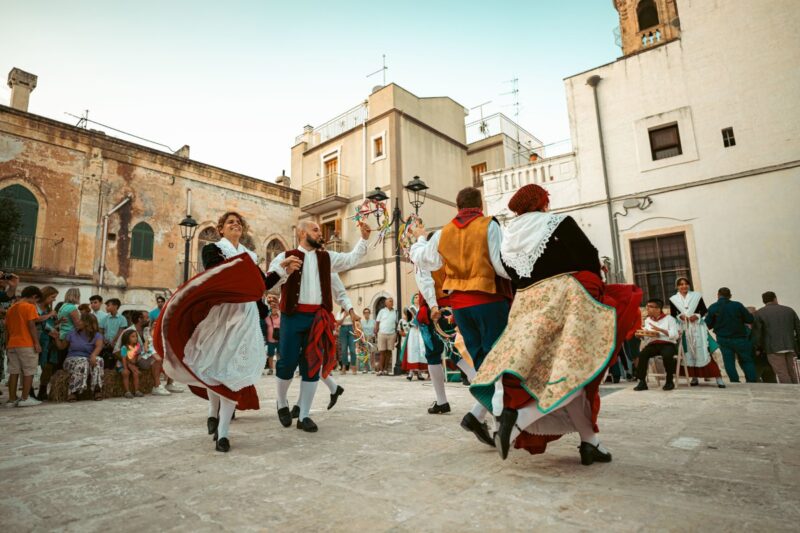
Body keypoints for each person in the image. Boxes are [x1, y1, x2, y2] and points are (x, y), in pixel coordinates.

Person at [465, 184, 641, 464]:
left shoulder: (509, 237)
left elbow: (510, 274)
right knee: (577, 369)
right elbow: (588, 255)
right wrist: (596, 289)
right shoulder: (557, 222)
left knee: (560, 373)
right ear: (541, 202)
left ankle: (590, 442)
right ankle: (520, 418)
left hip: (528, 309)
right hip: (567, 300)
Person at [154, 211, 297, 452]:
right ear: (221, 229)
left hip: (245, 319)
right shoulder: (213, 250)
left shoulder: (249, 256)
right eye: (230, 222)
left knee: (233, 371)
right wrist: (246, 273)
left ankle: (223, 433)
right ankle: (213, 411)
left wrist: (282, 271)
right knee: (215, 366)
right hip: (220, 316)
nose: (235, 225)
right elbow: (217, 276)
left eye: (238, 223)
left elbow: (260, 285)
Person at [411, 186, 513, 448]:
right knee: (499, 361)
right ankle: (498, 422)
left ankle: (478, 416)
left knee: (482, 363)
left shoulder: (444, 232)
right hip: (488, 300)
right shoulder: (488, 225)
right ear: (480, 205)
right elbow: (500, 266)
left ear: (457, 207)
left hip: (460, 307)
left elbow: (425, 261)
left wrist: (419, 240)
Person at [268, 219, 370, 433]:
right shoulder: (285, 256)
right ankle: (282, 401)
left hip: (316, 318)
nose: (320, 233)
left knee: (312, 365)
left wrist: (363, 239)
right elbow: (270, 283)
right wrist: (285, 270)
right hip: (292, 316)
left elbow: (351, 259)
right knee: (286, 363)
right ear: (302, 233)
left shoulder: (327, 258)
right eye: (315, 230)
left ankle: (304, 415)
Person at [669, 278, 725, 387]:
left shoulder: (696, 296)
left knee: (705, 351)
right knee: (688, 354)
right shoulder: (673, 299)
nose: (684, 286)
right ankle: (694, 378)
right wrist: (680, 316)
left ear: (689, 285)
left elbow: (704, 310)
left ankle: (718, 378)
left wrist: (697, 316)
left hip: (698, 329)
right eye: (681, 284)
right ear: (677, 286)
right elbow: (673, 314)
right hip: (684, 329)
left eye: (686, 284)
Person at [415, 261, 452, 414]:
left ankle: (442, 401)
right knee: (458, 351)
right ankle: (442, 401)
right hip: (452, 305)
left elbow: (426, 282)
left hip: (435, 309)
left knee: (435, 355)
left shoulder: (423, 256)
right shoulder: (447, 255)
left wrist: (433, 306)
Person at [705, 288, 757, 383]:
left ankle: (734, 381)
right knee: (746, 360)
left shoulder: (713, 307)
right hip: (740, 338)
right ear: (730, 296)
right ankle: (752, 381)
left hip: (723, 339)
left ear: (718, 295)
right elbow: (750, 319)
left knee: (729, 362)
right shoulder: (737, 305)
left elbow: (707, 324)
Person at [114, 311, 170, 396]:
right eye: (147, 318)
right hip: (130, 360)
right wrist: (129, 364)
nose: (149, 320)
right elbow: (116, 351)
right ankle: (157, 386)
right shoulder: (128, 331)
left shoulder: (146, 330)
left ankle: (166, 384)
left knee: (162, 357)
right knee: (156, 358)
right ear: (139, 319)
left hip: (140, 357)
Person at [51, 313, 105, 401]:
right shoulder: (72, 333)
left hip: (88, 359)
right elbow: (61, 347)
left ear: (87, 323)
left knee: (99, 360)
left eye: (80, 320)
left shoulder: (97, 335)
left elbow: (99, 347)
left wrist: (93, 355)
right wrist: (57, 338)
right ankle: (73, 391)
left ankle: (97, 389)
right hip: (71, 360)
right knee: (83, 361)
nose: (78, 322)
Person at [5, 286, 43, 407]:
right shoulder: (29, 306)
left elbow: (7, 328)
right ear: (34, 296)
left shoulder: (11, 308)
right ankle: (25, 398)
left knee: (13, 371)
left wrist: (7, 344)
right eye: (36, 300)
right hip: (26, 343)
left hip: (12, 343)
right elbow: (31, 325)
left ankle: (11, 399)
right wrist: (36, 343)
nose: (35, 303)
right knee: (29, 371)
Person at [634, 299, 681, 391]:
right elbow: (647, 336)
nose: (647, 308)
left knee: (667, 355)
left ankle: (669, 381)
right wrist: (641, 336)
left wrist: (660, 330)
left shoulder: (669, 319)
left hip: (667, 344)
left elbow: (675, 335)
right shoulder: (648, 320)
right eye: (647, 306)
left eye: (650, 306)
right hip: (653, 344)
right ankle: (642, 382)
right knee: (642, 354)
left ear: (658, 309)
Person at [755, 291, 800, 384]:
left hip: (773, 348)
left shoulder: (760, 313)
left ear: (763, 301)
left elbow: (758, 333)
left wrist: (757, 347)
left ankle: (789, 391)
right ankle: (796, 388)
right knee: (792, 371)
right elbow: (798, 328)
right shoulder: (789, 310)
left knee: (782, 372)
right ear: (775, 298)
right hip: (790, 346)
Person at [35, 286, 59, 400]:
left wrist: (58, 321)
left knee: (48, 366)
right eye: (52, 297)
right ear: (45, 295)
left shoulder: (48, 308)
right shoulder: (35, 307)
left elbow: (49, 324)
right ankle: (29, 392)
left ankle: (42, 390)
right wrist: (50, 315)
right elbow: (36, 320)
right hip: (39, 340)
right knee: (32, 366)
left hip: (49, 341)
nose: (54, 300)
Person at [400, 300, 427, 381]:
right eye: (415, 297)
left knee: (420, 350)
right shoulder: (411, 308)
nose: (417, 298)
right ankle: (411, 372)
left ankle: (419, 373)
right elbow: (408, 320)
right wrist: (411, 324)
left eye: (418, 297)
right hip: (413, 332)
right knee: (412, 351)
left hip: (420, 331)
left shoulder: (423, 308)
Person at [375, 298, 398, 376]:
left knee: (389, 352)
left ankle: (385, 369)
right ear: (386, 303)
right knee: (382, 352)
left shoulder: (395, 312)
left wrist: (396, 334)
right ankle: (380, 370)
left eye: (392, 301)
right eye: (390, 301)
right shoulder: (382, 311)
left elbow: (396, 323)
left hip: (392, 334)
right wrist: (376, 331)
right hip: (382, 333)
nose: (392, 302)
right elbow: (377, 322)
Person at [119, 329, 144, 398]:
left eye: (136, 336)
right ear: (127, 338)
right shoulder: (124, 347)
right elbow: (123, 359)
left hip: (131, 364)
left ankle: (137, 391)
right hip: (122, 364)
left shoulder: (137, 346)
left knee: (136, 374)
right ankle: (127, 392)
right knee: (126, 374)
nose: (135, 338)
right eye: (133, 336)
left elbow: (135, 357)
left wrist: (134, 366)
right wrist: (125, 368)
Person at [337, 305, 357, 375]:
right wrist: (344, 316)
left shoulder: (352, 312)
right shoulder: (339, 313)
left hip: (351, 328)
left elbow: (357, 319)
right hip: (343, 329)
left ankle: (353, 366)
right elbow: (338, 323)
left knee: (352, 349)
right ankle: (344, 367)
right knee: (344, 349)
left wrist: (351, 314)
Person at [265, 296, 280, 375]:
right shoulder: (267, 318)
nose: (274, 309)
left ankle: (279, 369)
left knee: (279, 354)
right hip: (270, 340)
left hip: (279, 339)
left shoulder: (281, 317)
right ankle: (271, 369)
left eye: (275, 308)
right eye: (273, 308)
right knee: (270, 355)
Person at [359, 308, 376, 373]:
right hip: (364, 338)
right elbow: (360, 331)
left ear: (369, 313)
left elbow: (375, 330)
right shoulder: (361, 322)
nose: (367, 314)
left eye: (368, 312)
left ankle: (373, 368)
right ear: (363, 314)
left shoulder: (373, 321)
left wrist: (374, 335)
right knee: (365, 353)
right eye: (365, 313)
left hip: (372, 338)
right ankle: (365, 368)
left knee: (372, 354)